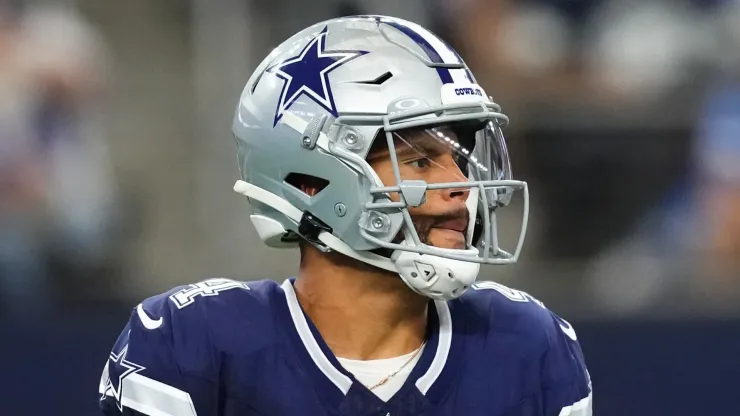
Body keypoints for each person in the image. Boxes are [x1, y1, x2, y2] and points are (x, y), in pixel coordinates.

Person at [98, 15, 592, 416]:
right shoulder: (192, 345)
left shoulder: (526, 345)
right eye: (420, 160)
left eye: (460, 158)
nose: (460, 186)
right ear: (311, 181)